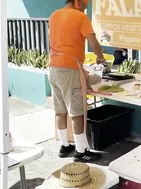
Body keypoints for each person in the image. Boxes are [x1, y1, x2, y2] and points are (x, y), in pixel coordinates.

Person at [48, 0, 106, 162]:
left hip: (52, 66)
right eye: (85, 6)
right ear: (77, 2)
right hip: (69, 69)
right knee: (77, 111)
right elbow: (93, 41)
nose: (85, 9)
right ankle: (80, 152)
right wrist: (100, 58)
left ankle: (65, 145)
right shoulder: (80, 17)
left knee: (60, 109)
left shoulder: (54, 15)